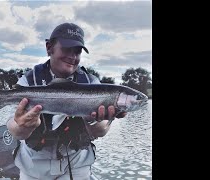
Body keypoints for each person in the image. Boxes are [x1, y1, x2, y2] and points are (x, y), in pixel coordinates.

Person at [7, 22, 127, 180]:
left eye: (77, 51)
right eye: (66, 49)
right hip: (33, 166)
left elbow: (100, 131)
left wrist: (94, 121)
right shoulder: (29, 81)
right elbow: (14, 130)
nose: (72, 56)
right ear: (49, 47)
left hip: (77, 163)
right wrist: (23, 126)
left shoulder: (92, 83)